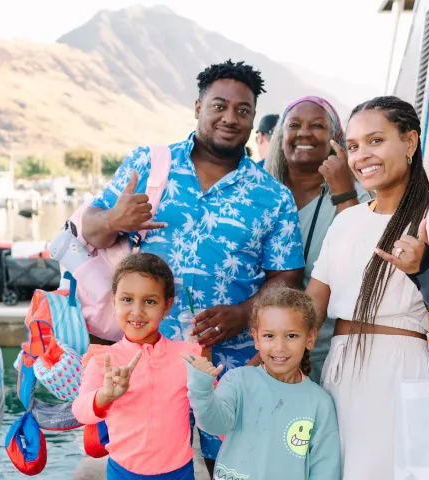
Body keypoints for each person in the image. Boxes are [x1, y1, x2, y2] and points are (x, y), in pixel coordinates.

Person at [81, 60, 305, 472]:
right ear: (198, 105)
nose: (230, 118)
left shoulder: (272, 196)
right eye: (219, 105)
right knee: (147, 464)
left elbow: (288, 277)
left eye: (243, 111)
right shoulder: (149, 164)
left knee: (237, 465)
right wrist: (115, 219)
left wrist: (245, 314)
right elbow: (90, 229)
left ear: (253, 119)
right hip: (146, 362)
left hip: (229, 365)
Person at [306, 96, 429, 479]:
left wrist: (427, 273)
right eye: (353, 146)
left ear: (410, 142)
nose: (361, 155)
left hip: (400, 381)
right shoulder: (346, 222)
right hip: (337, 377)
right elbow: (310, 313)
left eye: (375, 140)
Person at [263, 96, 371, 380]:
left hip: (324, 356)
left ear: (336, 137)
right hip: (259, 349)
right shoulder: (259, 194)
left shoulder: (358, 197)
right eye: (294, 124)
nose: (304, 132)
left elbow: (363, 267)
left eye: (317, 125)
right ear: (281, 135)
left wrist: (343, 193)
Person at [183, 287, 340, 479]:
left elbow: (326, 468)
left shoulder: (319, 402)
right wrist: (201, 389)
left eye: (291, 336)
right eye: (269, 336)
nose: (279, 347)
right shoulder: (238, 380)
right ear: (256, 338)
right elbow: (214, 424)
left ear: (310, 338)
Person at [72, 253, 201, 479]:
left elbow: (214, 413)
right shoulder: (103, 359)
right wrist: (104, 396)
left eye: (149, 301)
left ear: (166, 306)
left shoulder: (187, 356)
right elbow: (81, 411)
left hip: (179, 472)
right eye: (127, 299)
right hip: (123, 472)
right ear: (114, 301)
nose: (137, 311)